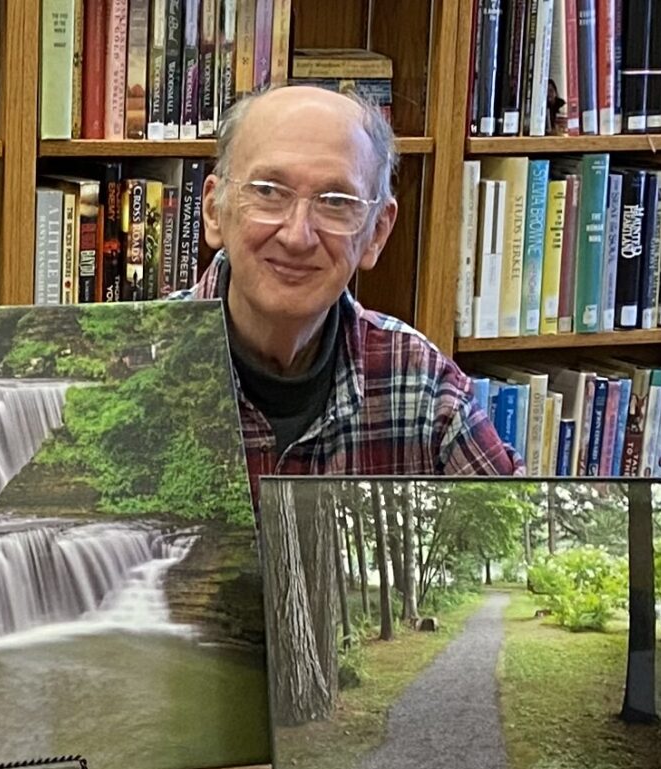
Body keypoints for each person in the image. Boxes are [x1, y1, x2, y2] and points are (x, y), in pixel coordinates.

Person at [175, 85, 519, 478]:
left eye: (336, 201)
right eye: (268, 192)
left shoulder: (422, 386)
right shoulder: (128, 363)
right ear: (214, 211)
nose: (297, 235)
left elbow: (521, 531)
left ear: (377, 232)